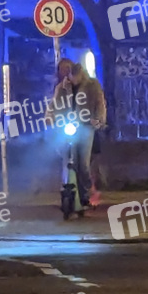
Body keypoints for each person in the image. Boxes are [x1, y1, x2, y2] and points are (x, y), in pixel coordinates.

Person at [50, 62, 107, 208]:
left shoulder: (92, 86)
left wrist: (98, 120)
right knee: (69, 161)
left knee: (83, 164)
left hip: (86, 127)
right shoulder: (62, 88)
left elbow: (100, 104)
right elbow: (54, 105)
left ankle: (87, 192)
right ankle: (67, 189)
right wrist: (50, 117)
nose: (73, 79)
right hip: (68, 126)